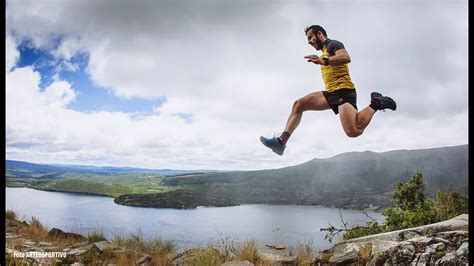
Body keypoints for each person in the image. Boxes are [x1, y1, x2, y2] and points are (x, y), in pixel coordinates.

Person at [260, 25, 397, 156]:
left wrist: (324, 60)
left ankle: (377, 103)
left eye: (310, 37)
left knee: (353, 131)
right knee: (298, 104)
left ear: (320, 34)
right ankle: (281, 142)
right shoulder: (324, 53)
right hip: (331, 92)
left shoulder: (333, 44)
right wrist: (322, 59)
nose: (309, 42)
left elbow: (345, 58)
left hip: (344, 91)